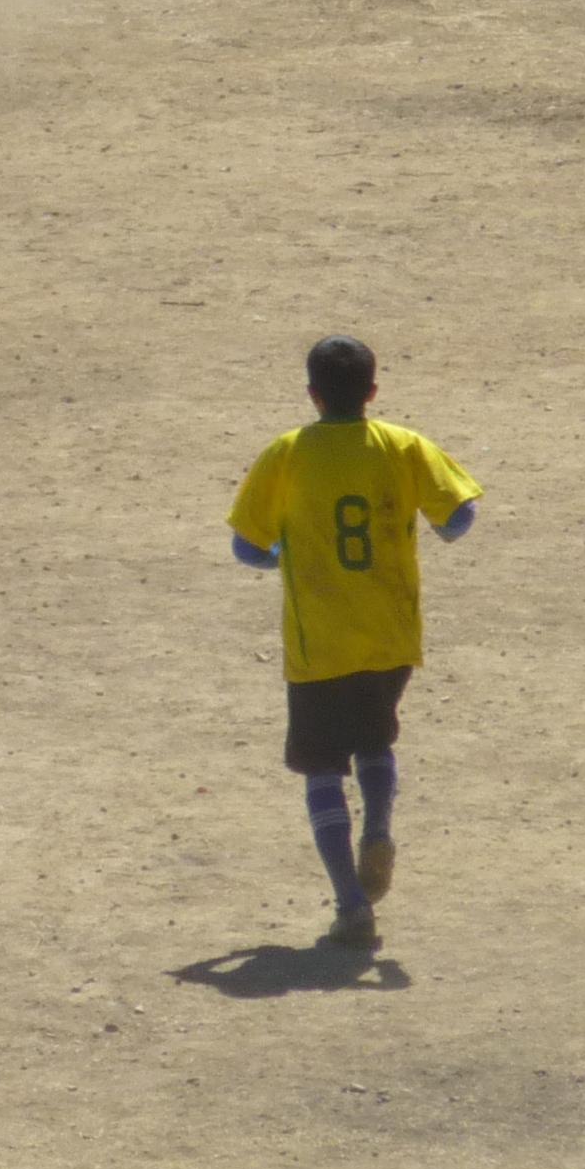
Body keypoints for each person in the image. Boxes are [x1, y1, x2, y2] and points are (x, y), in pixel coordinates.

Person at [225, 336, 483, 950]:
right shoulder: (402, 446)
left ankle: (350, 905)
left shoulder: (286, 455)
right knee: (375, 739)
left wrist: (287, 553)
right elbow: (458, 518)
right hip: (391, 632)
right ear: (372, 391)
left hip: (319, 644)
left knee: (320, 767)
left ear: (312, 394)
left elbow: (246, 547)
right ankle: (381, 826)